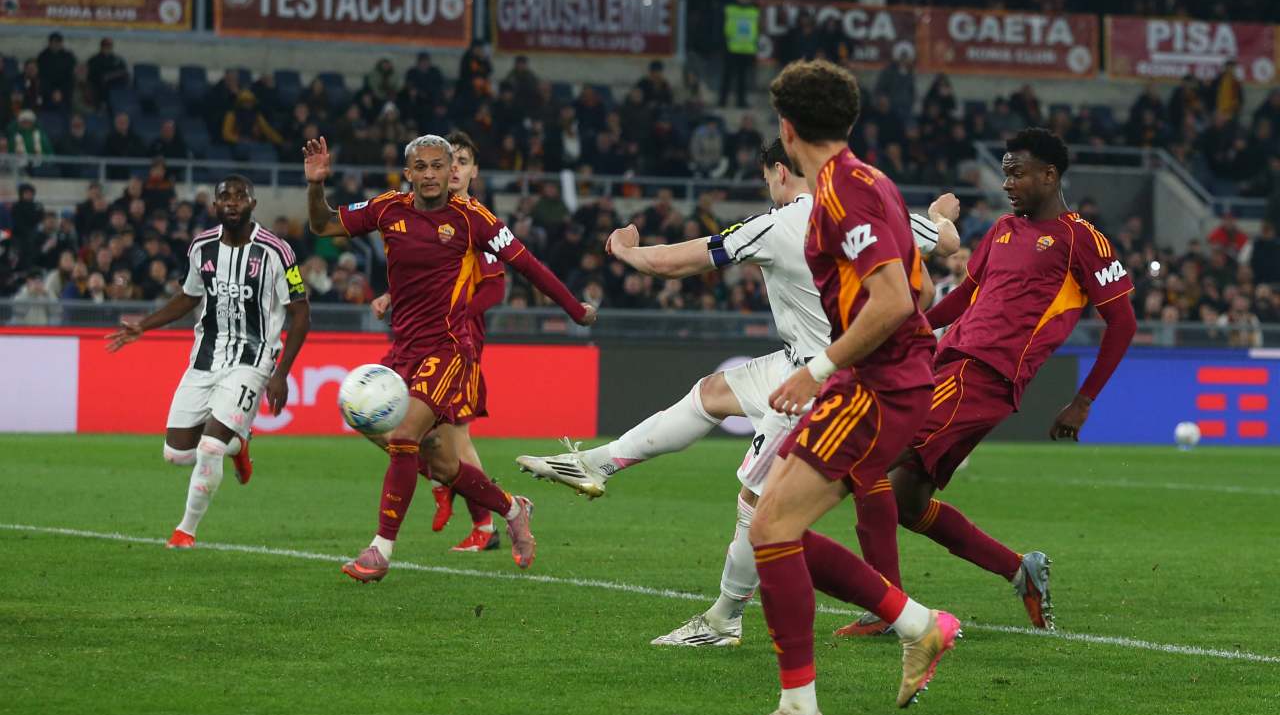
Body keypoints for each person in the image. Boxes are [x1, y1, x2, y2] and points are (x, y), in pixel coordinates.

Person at [519, 140, 959, 651]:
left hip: (819, 380)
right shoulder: (874, 211)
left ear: (779, 171)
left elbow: (675, 263)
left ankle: (725, 619)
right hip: (815, 363)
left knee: (757, 504)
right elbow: (947, 242)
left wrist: (624, 249)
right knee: (711, 394)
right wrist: (937, 215)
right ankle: (596, 464)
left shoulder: (777, 225)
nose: (768, 187)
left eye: (767, 177)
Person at [731, 60, 960, 715]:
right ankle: (918, 624)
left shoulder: (843, 194)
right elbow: (918, 290)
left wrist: (820, 366)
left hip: (877, 384)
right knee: (772, 526)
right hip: (877, 379)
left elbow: (893, 301)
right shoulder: (871, 181)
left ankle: (800, 710)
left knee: (771, 528)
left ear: (787, 129)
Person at [836, 128, 1138, 638]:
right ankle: (1020, 570)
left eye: (1017, 173)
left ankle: (886, 607)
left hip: (983, 375)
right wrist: (908, 326)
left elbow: (1123, 323)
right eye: (1005, 173)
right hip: (947, 364)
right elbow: (964, 299)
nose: (1007, 184)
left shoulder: (1082, 239)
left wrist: (1083, 401)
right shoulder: (1001, 230)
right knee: (906, 502)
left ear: (1050, 175)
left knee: (866, 462)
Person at [303, 134, 596, 581]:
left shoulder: (472, 218)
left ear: (449, 171)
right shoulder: (387, 209)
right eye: (420, 167)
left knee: (404, 437)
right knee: (438, 461)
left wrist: (575, 310)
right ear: (408, 173)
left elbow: (528, 265)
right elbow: (323, 225)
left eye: (438, 165)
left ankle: (380, 550)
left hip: (448, 348)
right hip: (403, 349)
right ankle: (512, 508)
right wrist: (315, 185)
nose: (430, 174)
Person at [106, 176, 311, 549]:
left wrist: (281, 373)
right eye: (224, 197)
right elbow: (188, 297)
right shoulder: (201, 246)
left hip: (253, 359)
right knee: (176, 454)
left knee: (210, 448)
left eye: (240, 196)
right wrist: (143, 326)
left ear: (253, 203)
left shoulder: (277, 251)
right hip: (205, 358)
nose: (232, 202)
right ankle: (239, 444)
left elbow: (301, 313)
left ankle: (185, 531)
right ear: (215, 205)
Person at [368, 131, 507, 554]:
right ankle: (443, 480)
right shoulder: (427, 216)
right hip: (418, 341)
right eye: (453, 161)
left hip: (457, 344)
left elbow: (494, 288)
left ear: (471, 171)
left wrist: (455, 311)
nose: (455, 169)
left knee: (455, 437)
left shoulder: (477, 221)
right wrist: (393, 296)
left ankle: (486, 522)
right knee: (395, 430)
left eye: (462, 162)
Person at [720, 0, 759, 108]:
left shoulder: (754, 11)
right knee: (727, 77)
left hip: (747, 49)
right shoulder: (729, 9)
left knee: (742, 79)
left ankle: (741, 102)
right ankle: (722, 101)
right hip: (732, 48)